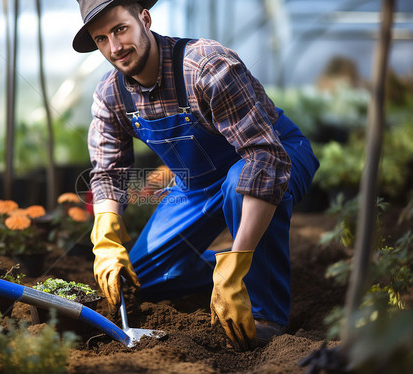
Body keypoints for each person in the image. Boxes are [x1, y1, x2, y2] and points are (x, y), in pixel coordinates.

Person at [73, 0, 319, 351]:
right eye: (101, 39)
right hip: (197, 184)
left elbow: (263, 157)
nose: (114, 48)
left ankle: (267, 312)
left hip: (276, 154)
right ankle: (239, 271)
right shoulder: (111, 94)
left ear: (144, 18)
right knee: (140, 279)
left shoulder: (205, 66)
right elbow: (108, 172)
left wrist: (237, 260)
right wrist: (106, 240)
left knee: (240, 182)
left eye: (120, 29)